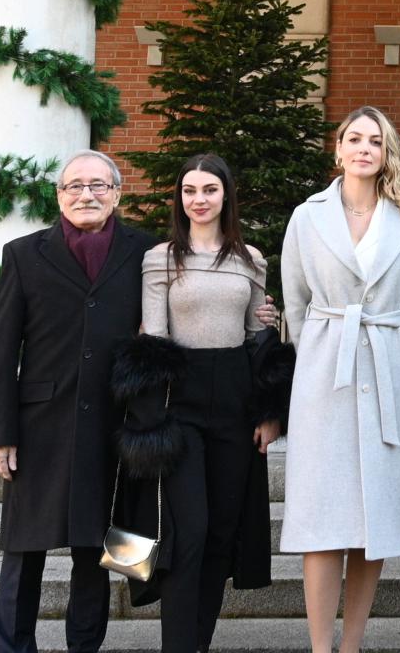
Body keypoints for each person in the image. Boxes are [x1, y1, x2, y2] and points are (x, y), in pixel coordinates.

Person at [108, 154, 285, 653]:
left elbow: (258, 340)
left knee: (221, 533)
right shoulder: (160, 257)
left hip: (234, 401)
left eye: (209, 190)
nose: (199, 200)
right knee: (189, 530)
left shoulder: (251, 259)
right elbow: (155, 335)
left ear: (226, 195)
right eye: (189, 190)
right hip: (178, 402)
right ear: (179, 198)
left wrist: (270, 412)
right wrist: (151, 417)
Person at [0, 149, 153, 653]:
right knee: (23, 547)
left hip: (114, 423)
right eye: (75, 185)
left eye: (99, 185)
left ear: (118, 194)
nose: (87, 194)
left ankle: (85, 646)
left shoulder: (146, 252)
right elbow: (1, 351)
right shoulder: (23, 253)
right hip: (39, 426)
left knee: (96, 547)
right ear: (59, 196)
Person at [280, 106, 400, 653]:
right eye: (355, 139)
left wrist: (386, 346)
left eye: (375, 140)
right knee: (322, 517)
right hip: (326, 373)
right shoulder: (308, 215)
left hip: (388, 368)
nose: (364, 148)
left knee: (376, 522)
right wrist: (321, 353)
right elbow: (295, 301)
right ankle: (322, 648)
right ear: (338, 149)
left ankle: (353, 646)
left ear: (386, 152)